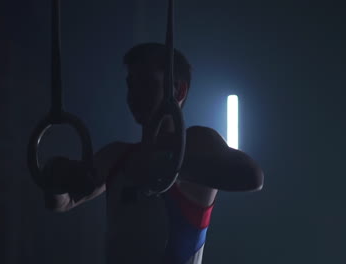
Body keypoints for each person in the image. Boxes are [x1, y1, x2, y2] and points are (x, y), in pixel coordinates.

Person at [43, 43, 264, 264]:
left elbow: (252, 177)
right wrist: (54, 178)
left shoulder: (197, 142)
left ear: (179, 90)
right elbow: (64, 202)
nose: (134, 95)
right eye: (131, 85)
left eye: (147, 84)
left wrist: (171, 167)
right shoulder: (117, 155)